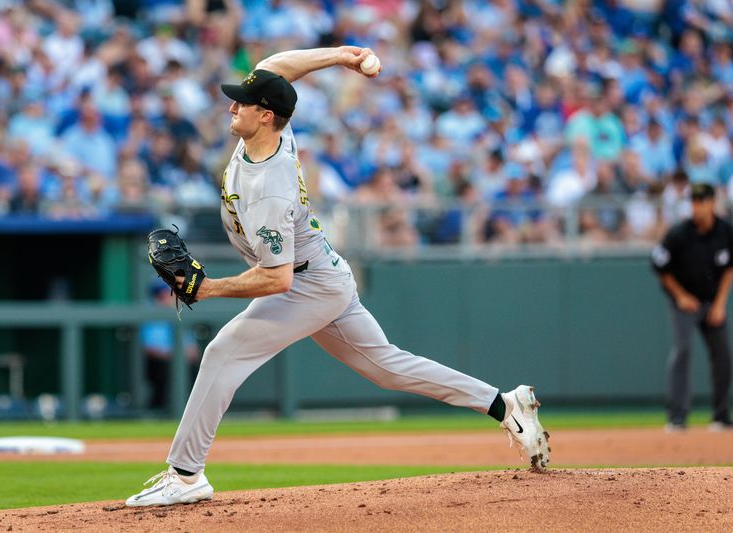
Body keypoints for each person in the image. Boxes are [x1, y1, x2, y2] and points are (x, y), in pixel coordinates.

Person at [125, 46, 550, 507]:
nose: (232, 106)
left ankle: (186, 475)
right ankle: (503, 405)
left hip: (306, 284)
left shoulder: (270, 186)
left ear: (266, 116)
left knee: (223, 353)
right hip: (323, 272)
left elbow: (277, 279)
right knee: (386, 367)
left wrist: (208, 290)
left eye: (242, 103)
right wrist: (342, 56)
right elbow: (275, 67)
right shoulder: (272, 134)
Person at [651, 182, 733, 432]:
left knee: (723, 356)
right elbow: (660, 267)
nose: (696, 207)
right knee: (683, 351)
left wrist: (720, 303)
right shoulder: (679, 234)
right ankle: (677, 417)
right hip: (684, 303)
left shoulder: (726, 231)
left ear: (711, 203)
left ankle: (720, 415)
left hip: (711, 302)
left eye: (701, 202)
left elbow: (729, 268)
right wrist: (682, 296)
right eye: (693, 202)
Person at [142, 281, 200, 410]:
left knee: (196, 368)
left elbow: (193, 350)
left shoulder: (179, 314)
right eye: (164, 295)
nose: (169, 299)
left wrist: (183, 356)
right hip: (160, 364)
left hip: (182, 363)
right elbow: (151, 349)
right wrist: (177, 356)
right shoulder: (149, 316)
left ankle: (193, 408)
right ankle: (158, 410)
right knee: (163, 371)